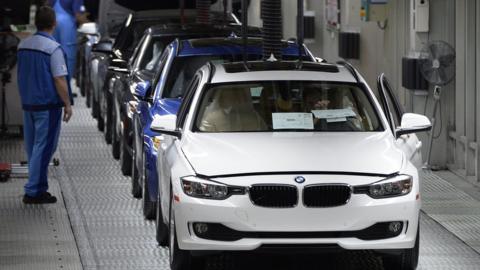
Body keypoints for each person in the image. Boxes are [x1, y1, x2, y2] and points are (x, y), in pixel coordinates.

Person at [17, 6, 73, 204]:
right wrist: (67, 104)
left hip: (28, 104)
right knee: (45, 147)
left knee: (33, 147)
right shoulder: (53, 49)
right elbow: (59, 80)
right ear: (54, 24)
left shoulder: (23, 45)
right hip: (47, 106)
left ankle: (38, 188)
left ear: (36, 23)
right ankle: (34, 191)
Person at [48, 0, 89, 75]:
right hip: (67, 27)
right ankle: (66, 83)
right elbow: (78, 16)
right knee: (68, 58)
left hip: (52, 24)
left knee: (54, 56)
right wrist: (90, 23)